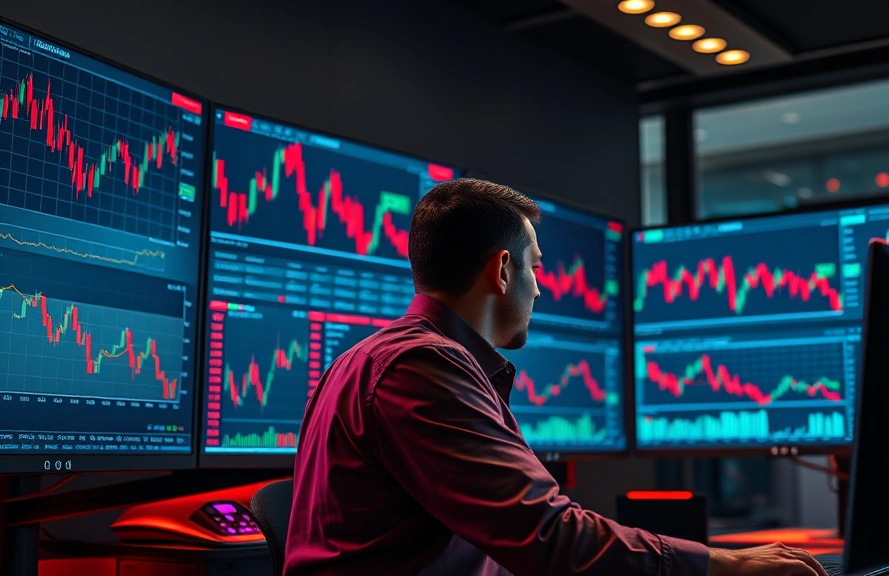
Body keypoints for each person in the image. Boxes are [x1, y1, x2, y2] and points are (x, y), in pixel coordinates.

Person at [285, 178, 829, 576]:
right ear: (502, 271)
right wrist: (724, 566)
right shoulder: (422, 367)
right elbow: (545, 536)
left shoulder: (376, 357)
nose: (540, 289)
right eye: (536, 267)